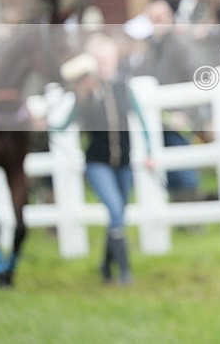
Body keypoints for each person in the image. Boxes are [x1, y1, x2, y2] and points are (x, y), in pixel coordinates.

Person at [58, 33, 154, 285]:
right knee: (115, 210)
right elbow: (63, 123)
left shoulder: (124, 86)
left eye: (107, 57)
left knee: (118, 215)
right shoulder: (85, 91)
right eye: (99, 58)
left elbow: (141, 119)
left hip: (123, 162)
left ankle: (104, 268)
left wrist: (150, 152)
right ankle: (125, 273)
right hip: (97, 162)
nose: (104, 63)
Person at [132, 0, 203, 201]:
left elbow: (197, 78)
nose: (159, 22)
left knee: (184, 168)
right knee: (167, 168)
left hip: (179, 119)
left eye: (162, 17)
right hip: (158, 118)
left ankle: (192, 217)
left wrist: (187, 114)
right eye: (153, 18)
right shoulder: (148, 48)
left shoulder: (182, 45)